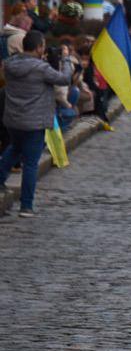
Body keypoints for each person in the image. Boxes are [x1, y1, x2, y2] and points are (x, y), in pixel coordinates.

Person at [0, 31, 74, 219]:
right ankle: (26, 206)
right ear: (40, 47)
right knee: (31, 163)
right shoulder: (41, 68)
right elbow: (64, 79)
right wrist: (65, 60)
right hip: (34, 122)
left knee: (14, 148)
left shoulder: (10, 64)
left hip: (13, 120)